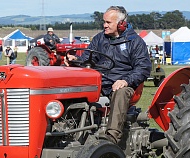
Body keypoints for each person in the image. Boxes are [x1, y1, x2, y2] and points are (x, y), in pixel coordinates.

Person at [65, 6, 151, 144]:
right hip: (100, 83)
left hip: (124, 84)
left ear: (121, 24)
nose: (104, 25)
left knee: (120, 92)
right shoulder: (100, 38)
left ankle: (112, 136)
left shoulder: (135, 42)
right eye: (104, 22)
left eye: (108, 22)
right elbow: (89, 58)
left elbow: (143, 68)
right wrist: (77, 61)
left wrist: (126, 80)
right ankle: (67, 131)